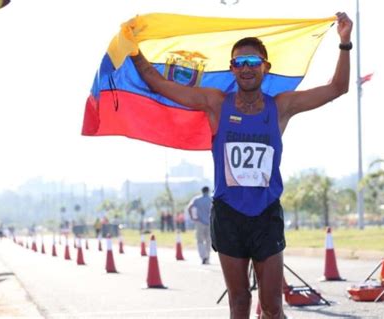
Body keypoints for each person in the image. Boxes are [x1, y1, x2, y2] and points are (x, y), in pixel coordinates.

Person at [126, 12, 352, 319]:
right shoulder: (216, 103)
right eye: (240, 63)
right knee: (239, 302)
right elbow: (159, 84)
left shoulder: (281, 106)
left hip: (266, 213)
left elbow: (338, 87)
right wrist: (133, 50)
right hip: (229, 214)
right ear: (232, 69)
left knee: (272, 307)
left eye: (253, 62)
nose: (246, 69)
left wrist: (344, 42)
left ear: (265, 67)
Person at [187, 186, 213, 265]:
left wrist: (192, 217)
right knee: (208, 240)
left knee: (200, 240)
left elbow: (189, 207)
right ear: (208, 191)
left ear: (202, 191)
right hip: (209, 222)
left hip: (200, 222)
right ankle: (207, 256)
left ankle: (203, 256)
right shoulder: (211, 199)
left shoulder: (197, 199)